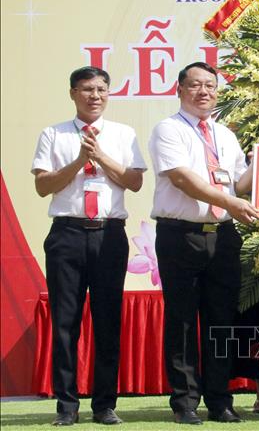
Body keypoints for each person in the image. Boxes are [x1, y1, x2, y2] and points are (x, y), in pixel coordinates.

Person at [31, 66, 146, 426]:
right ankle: (66, 406)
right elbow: (43, 186)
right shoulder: (53, 134)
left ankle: (104, 405)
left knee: (108, 322)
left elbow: (134, 182)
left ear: (108, 94)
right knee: (65, 323)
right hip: (67, 234)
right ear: (72, 93)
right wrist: (80, 161)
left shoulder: (123, 134)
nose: (94, 96)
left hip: (109, 234)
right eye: (86, 90)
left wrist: (101, 157)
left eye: (101, 90)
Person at [148, 62, 259, 425]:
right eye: (195, 85)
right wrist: (231, 202)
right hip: (181, 235)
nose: (203, 92)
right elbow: (183, 178)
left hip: (223, 236)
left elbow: (238, 184)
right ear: (179, 90)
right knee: (182, 321)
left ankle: (219, 400)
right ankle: (184, 403)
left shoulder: (225, 134)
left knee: (221, 322)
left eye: (210, 86)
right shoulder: (168, 129)